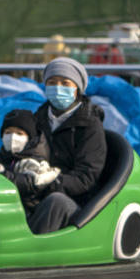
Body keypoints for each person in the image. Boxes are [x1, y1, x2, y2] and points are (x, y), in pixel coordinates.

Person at [25, 57, 107, 234]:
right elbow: (20, 154)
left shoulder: (90, 125)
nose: (58, 88)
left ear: (77, 88)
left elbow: (86, 177)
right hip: (38, 192)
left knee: (56, 202)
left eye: (65, 83)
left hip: (75, 201)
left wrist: (49, 184)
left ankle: (29, 252)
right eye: (52, 82)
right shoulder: (38, 118)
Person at [0, 109, 59, 212]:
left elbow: (29, 182)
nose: (13, 137)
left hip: (27, 212)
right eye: (8, 132)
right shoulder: (3, 156)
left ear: (29, 137)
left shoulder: (37, 161)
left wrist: (3, 175)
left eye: (19, 133)